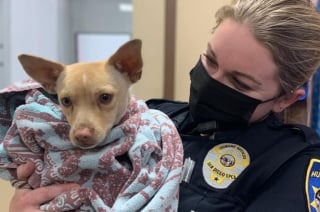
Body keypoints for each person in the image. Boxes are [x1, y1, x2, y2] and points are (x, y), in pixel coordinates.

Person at [8, 0, 320, 211]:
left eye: (240, 83)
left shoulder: (293, 166)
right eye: (210, 60)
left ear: (285, 99)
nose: (212, 81)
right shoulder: (153, 118)